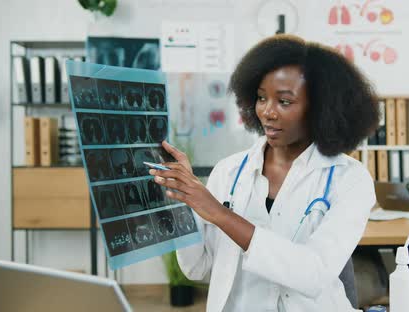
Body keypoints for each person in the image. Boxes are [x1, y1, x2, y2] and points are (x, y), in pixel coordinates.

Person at [150, 34, 380, 311]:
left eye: (284, 102)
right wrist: (181, 199)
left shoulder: (349, 179)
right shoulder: (229, 171)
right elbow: (198, 268)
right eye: (261, 98)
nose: (267, 112)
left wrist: (219, 213)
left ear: (320, 108)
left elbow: (314, 273)